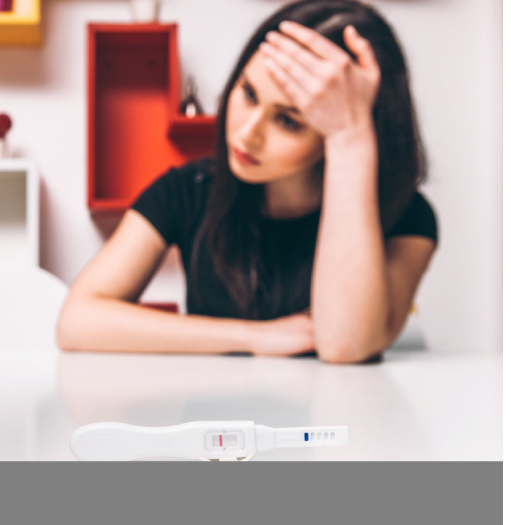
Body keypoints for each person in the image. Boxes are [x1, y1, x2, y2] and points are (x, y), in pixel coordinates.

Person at [57, 0, 438, 364]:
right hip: (216, 425)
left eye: (288, 120)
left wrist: (350, 138)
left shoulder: (407, 215)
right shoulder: (190, 188)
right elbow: (76, 322)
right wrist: (254, 337)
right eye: (249, 93)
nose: (248, 132)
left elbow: (346, 344)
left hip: (336, 427)